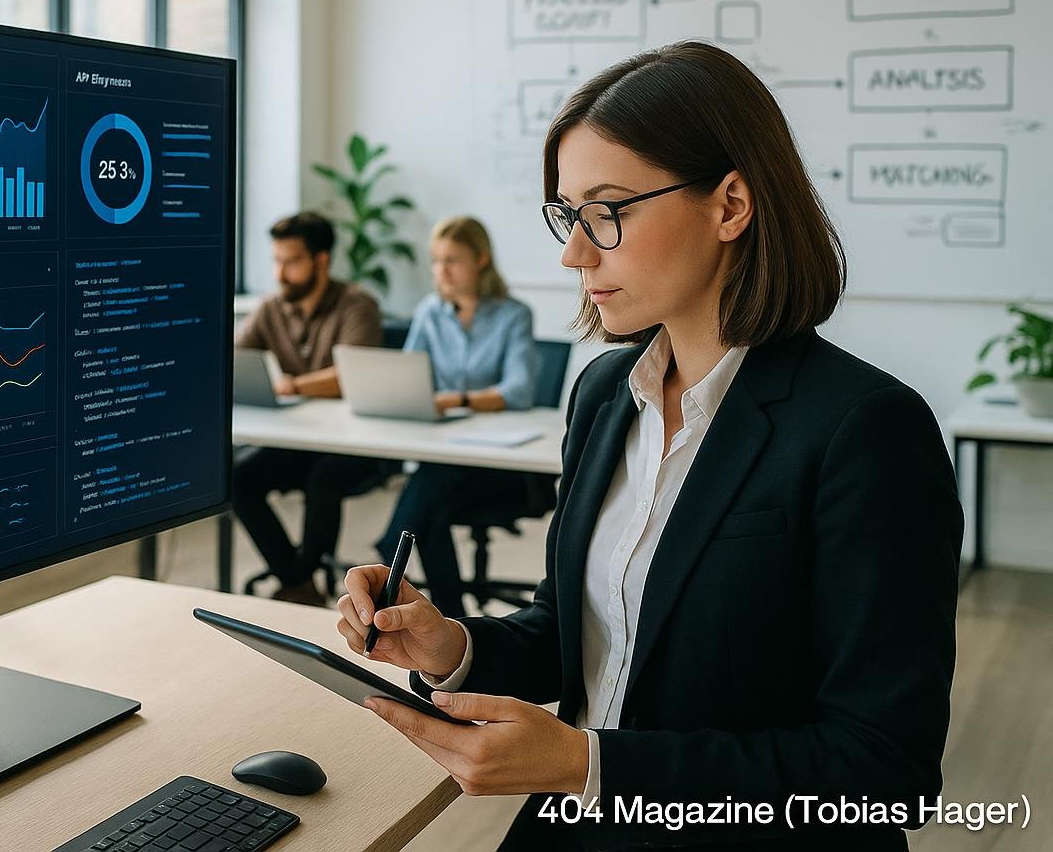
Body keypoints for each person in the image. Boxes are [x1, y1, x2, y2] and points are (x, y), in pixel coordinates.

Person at [336, 42, 962, 850]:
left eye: (609, 211)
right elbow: (578, 637)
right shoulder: (605, 394)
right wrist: (450, 645)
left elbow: (883, 771)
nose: (574, 252)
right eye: (569, 213)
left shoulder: (865, 429)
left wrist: (591, 766)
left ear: (730, 205)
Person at [373, 215, 539, 618]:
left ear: (481, 259)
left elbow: (518, 391)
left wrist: (455, 400)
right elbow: (409, 375)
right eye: (436, 260)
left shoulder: (513, 314)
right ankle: (454, 617)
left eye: (452, 260)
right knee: (431, 506)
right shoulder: (431, 312)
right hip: (443, 450)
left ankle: (392, 556)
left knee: (425, 499)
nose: (440, 271)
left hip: (497, 463)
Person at [233, 212, 386, 606]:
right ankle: (298, 580)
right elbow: (232, 359)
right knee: (236, 477)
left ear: (321, 261)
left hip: (355, 447)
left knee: (324, 479)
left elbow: (352, 372)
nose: (280, 273)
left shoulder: (358, 305)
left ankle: (299, 579)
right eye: (276, 261)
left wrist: (292, 385)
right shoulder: (271, 308)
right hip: (298, 439)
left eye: (291, 261)